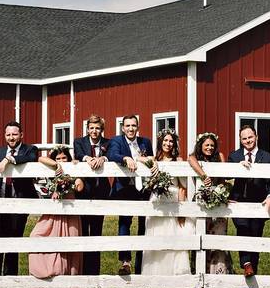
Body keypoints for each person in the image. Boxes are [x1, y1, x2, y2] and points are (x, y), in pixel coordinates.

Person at [228, 124, 270, 277]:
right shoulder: (234, 156)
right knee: (242, 228)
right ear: (241, 140)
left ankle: (252, 270)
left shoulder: (268, 158)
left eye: (250, 137)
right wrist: (237, 167)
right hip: (238, 202)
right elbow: (226, 175)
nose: (248, 140)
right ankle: (246, 263)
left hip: (258, 203)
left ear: (256, 137)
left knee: (255, 234)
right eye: (244, 138)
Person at [107, 115, 153, 275]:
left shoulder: (145, 142)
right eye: (127, 126)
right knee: (124, 223)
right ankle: (125, 262)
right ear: (122, 128)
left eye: (134, 125)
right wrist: (126, 158)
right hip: (125, 189)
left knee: (144, 225)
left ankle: (141, 265)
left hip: (144, 190)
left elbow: (151, 160)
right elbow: (112, 154)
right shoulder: (117, 141)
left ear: (138, 127)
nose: (131, 128)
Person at [143, 130, 194, 275]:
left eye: (171, 141)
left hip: (173, 200)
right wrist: (151, 163)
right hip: (156, 200)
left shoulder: (178, 160)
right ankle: (154, 276)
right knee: (155, 235)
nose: (168, 144)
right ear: (160, 142)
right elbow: (138, 158)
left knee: (172, 236)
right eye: (165, 140)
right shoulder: (154, 159)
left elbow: (183, 186)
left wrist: (182, 211)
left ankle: (171, 277)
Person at [29, 146, 83, 278]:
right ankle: (47, 271)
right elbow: (40, 158)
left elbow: (80, 186)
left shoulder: (72, 170)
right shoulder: (52, 171)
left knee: (70, 242)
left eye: (64, 158)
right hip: (53, 211)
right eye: (58, 158)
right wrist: (57, 166)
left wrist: (70, 180)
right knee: (36, 235)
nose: (62, 160)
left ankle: (68, 275)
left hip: (70, 211)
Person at [0, 121, 39, 276]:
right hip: (0, 202)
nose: (11, 138)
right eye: (8, 135)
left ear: (21, 135)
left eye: (14, 134)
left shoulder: (30, 149)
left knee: (14, 239)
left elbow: (30, 158)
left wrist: (9, 159)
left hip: (20, 202)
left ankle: (10, 277)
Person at [188, 132, 233, 274]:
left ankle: (220, 273)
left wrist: (222, 192)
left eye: (212, 145)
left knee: (219, 236)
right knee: (201, 236)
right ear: (200, 145)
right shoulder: (195, 157)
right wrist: (203, 175)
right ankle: (202, 272)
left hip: (218, 200)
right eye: (206, 145)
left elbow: (224, 177)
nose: (209, 147)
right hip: (201, 202)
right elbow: (190, 158)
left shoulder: (219, 157)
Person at [73, 114, 111, 275]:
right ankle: (82, 271)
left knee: (96, 231)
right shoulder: (79, 142)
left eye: (97, 128)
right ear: (87, 129)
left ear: (101, 130)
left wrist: (103, 157)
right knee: (83, 231)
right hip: (83, 192)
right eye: (91, 128)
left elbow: (113, 155)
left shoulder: (108, 143)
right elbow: (78, 153)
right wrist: (87, 158)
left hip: (100, 192)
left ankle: (94, 272)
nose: (94, 131)